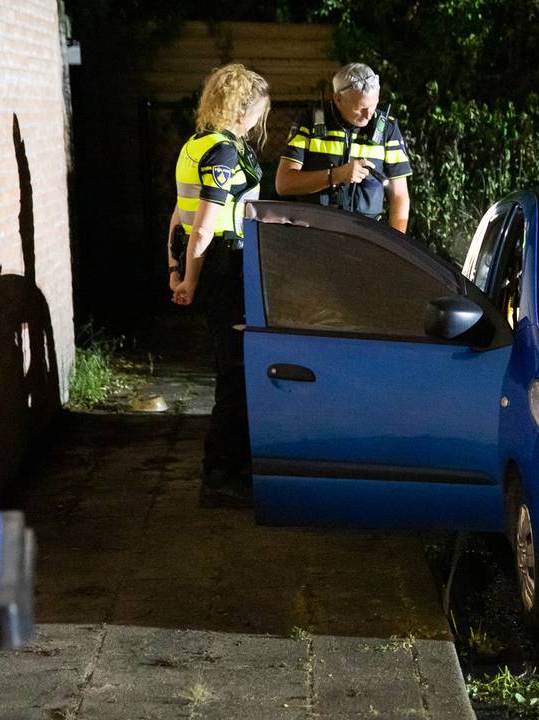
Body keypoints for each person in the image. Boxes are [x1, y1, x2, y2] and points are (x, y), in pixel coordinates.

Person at [166, 63, 269, 508]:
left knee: (234, 372)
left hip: (217, 269)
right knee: (237, 376)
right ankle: (222, 476)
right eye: (259, 112)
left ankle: (230, 469)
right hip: (226, 267)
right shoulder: (225, 152)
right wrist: (190, 278)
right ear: (244, 109)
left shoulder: (195, 144)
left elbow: (178, 217)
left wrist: (174, 270)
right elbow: (204, 228)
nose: (259, 121)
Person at [274, 62, 412, 231]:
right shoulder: (310, 121)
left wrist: (395, 247)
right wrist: (336, 175)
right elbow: (284, 184)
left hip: (366, 236)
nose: (369, 114)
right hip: (315, 234)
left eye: (374, 105)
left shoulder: (387, 129)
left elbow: (399, 196)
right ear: (338, 98)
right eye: (361, 108)